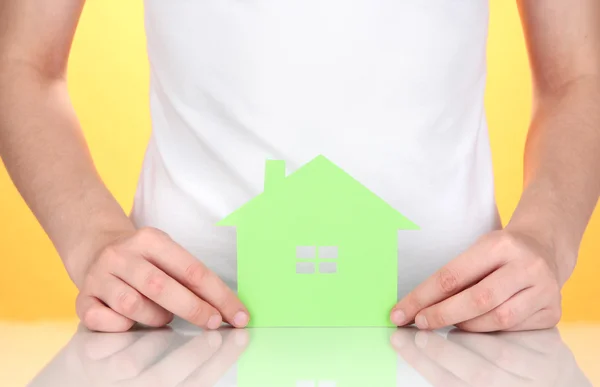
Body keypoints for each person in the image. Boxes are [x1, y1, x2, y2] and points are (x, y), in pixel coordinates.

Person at [0, 0, 598, 333]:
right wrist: (93, 237)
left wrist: (545, 239)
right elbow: (22, 60)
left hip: (470, 332)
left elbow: (579, 76)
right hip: (175, 335)